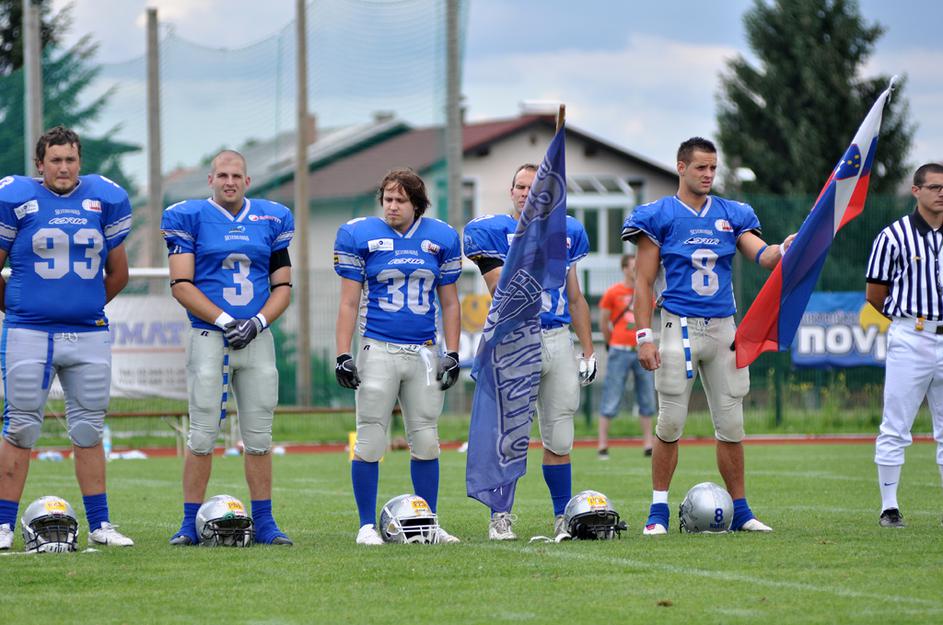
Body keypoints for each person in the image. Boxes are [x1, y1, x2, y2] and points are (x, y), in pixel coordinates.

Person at [622, 137, 794, 535]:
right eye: (701, 167)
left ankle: (742, 511)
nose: (708, 174)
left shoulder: (732, 213)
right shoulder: (659, 215)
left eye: (713, 168)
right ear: (681, 167)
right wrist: (643, 336)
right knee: (670, 423)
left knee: (731, 425)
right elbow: (643, 283)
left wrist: (784, 249)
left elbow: (763, 255)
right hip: (677, 326)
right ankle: (658, 512)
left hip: (723, 327)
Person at [0, 126, 134, 549]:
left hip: (87, 333)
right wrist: (20, 309)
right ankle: (2, 525)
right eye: (55, 160)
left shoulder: (103, 200)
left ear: (80, 162)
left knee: (89, 429)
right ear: (39, 164)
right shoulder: (17, 199)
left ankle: (101, 524)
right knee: (20, 427)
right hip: (30, 331)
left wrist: (84, 305)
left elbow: (119, 274)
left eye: (70, 160)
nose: (63, 167)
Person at [162, 150, 294, 546]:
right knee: (202, 434)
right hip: (209, 336)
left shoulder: (271, 218)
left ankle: (265, 522)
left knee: (259, 436)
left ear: (247, 181)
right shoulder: (189, 216)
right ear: (211, 180)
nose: (229, 182)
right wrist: (225, 321)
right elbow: (180, 284)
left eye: (236, 175)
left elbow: (283, 287)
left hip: (257, 339)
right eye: (222, 175)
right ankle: (188, 523)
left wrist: (257, 322)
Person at [464, 163, 596, 541]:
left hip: (557, 338)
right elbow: (501, 290)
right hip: (516, 340)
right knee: (509, 436)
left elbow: (575, 297)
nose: (526, 193)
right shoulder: (494, 232)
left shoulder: (567, 232)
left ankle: (562, 516)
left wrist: (588, 350)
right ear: (511, 192)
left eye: (534, 188)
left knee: (560, 434)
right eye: (520, 187)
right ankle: (500, 517)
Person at [333, 168, 463, 546]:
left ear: (417, 204)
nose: (391, 206)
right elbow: (348, 302)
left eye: (400, 200)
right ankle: (365, 525)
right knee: (370, 438)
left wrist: (452, 352)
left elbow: (450, 303)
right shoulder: (360, 235)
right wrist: (343, 354)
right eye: (387, 199)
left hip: (424, 351)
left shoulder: (441, 238)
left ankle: (428, 522)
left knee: (426, 440)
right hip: (378, 347)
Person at [866, 162, 943, 528]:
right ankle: (889, 506)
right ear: (916, 190)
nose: (941, 193)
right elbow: (875, 294)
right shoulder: (893, 236)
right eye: (934, 187)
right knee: (896, 424)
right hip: (912, 333)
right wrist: (907, 321)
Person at [597, 252, 656, 459]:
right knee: (611, 395)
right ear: (624, 269)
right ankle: (602, 444)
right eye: (632, 266)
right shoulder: (613, 293)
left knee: (647, 396)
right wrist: (611, 342)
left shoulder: (646, 292)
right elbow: (603, 322)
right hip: (619, 350)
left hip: (640, 349)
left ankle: (648, 443)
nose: (635, 270)